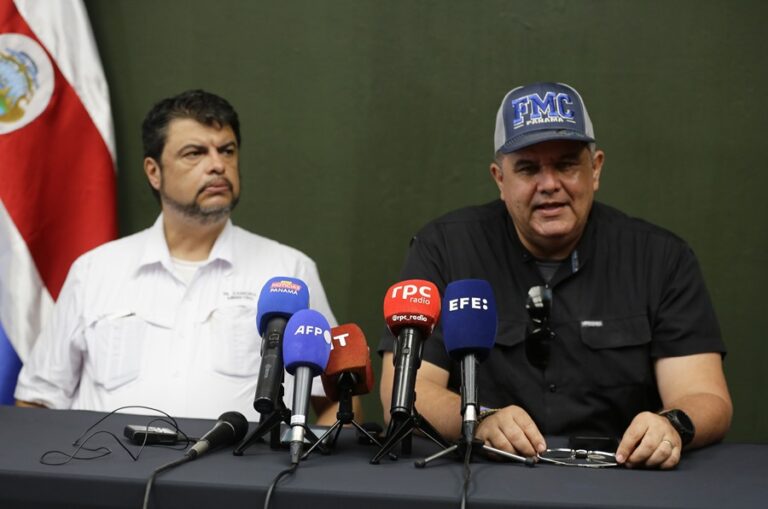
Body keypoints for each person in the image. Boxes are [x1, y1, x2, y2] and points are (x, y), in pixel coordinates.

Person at [378, 82, 732, 469]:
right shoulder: (444, 248)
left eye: (565, 165)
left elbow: (705, 395)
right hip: (488, 473)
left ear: (595, 169)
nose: (549, 185)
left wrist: (671, 425)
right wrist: (475, 420)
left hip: (620, 478)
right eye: (528, 168)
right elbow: (405, 390)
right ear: (499, 178)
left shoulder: (662, 258)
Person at [15, 89, 337, 423]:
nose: (217, 165)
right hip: (108, 470)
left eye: (227, 150)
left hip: (241, 473)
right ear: (154, 172)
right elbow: (38, 401)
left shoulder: (289, 272)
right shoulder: (95, 271)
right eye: (194, 153)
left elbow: (334, 401)